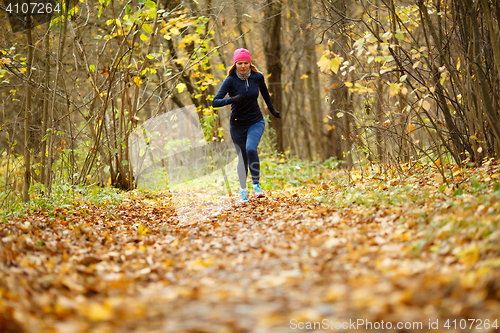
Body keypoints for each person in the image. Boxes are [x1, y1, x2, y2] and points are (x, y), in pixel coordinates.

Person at [212, 48, 280, 202]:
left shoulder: (257, 77)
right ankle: (243, 190)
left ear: (250, 63)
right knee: (242, 158)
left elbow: (264, 92)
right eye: (240, 63)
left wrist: (272, 110)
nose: (243, 66)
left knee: (251, 149)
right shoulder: (230, 80)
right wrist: (231, 99)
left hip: (256, 121)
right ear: (235, 64)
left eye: (246, 63)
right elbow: (214, 102)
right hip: (237, 125)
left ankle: (256, 186)